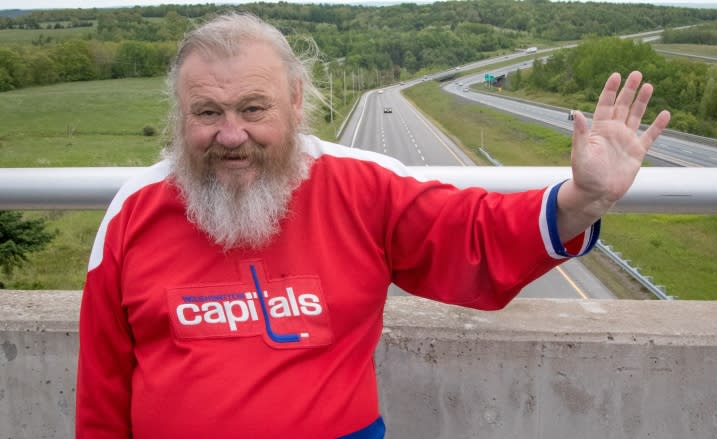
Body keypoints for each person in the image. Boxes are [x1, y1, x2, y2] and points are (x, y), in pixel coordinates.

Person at [75, 11, 670, 439]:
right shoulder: (135, 212)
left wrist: (581, 200)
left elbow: (473, 235)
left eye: (254, 109)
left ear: (296, 101)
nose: (232, 135)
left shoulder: (360, 186)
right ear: (181, 117)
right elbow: (102, 392)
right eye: (208, 113)